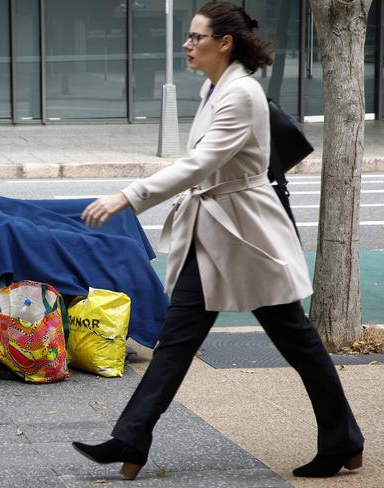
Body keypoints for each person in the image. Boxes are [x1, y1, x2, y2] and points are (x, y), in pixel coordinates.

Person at [73, 1, 364, 480]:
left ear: (224, 43)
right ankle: (130, 438)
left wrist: (129, 195)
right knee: (177, 341)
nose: (187, 45)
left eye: (196, 37)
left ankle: (343, 440)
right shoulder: (216, 88)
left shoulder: (240, 93)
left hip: (247, 236)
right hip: (215, 235)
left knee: (298, 342)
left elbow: (200, 163)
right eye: (188, 37)